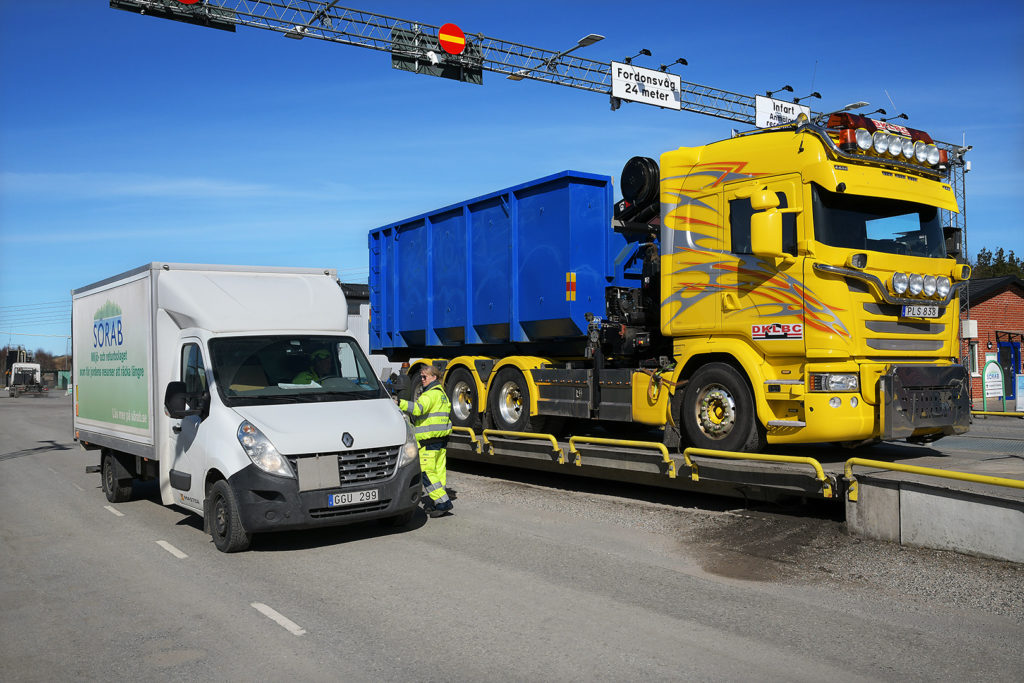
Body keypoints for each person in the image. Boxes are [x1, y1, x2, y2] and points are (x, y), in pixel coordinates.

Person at [397, 365, 454, 517]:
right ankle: (437, 502)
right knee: (438, 473)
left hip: (428, 442)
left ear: (434, 377)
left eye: (425, 377)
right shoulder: (441, 394)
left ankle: (443, 503)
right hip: (441, 441)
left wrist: (399, 403)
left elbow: (418, 409)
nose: (422, 380)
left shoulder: (429, 395)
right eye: (421, 377)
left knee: (427, 473)